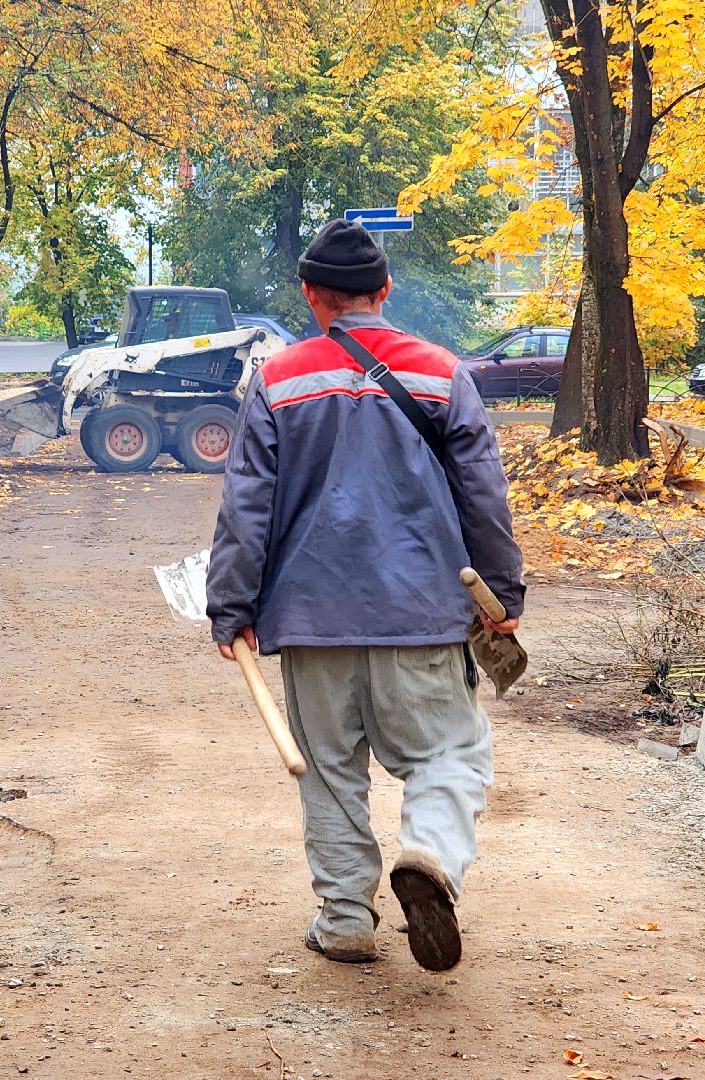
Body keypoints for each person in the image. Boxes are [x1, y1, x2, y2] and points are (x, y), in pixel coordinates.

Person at [205, 218, 525, 972]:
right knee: (448, 753)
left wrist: (231, 605)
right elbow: (483, 495)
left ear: (313, 296)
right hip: (422, 614)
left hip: (311, 619)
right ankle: (430, 856)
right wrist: (501, 593)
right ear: (384, 292)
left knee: (329, 770)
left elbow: (247, 503)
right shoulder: (443, 373)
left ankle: (346, 918)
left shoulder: (277, 380)